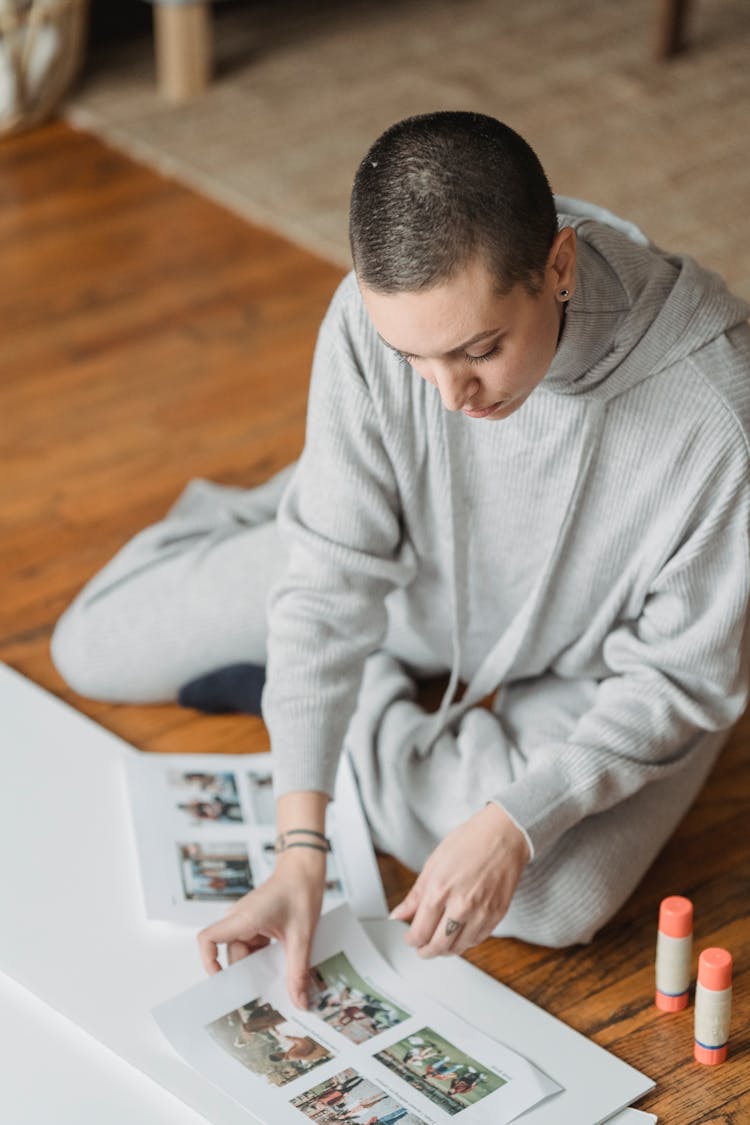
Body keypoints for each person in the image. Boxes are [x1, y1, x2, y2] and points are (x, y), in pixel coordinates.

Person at [51, 112, 750, 1009]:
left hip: (600, 656)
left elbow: (679, 680)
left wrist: (510, 825)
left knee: (550, 893)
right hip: (413, 572)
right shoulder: (367, 322)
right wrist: (301, 846)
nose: (450, 398)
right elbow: (326, 588)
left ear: (560, 268)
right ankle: (323, 501)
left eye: (480, 351)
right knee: (93, 646)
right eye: (411, 360)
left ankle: (360, 684)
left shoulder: (720, 410)